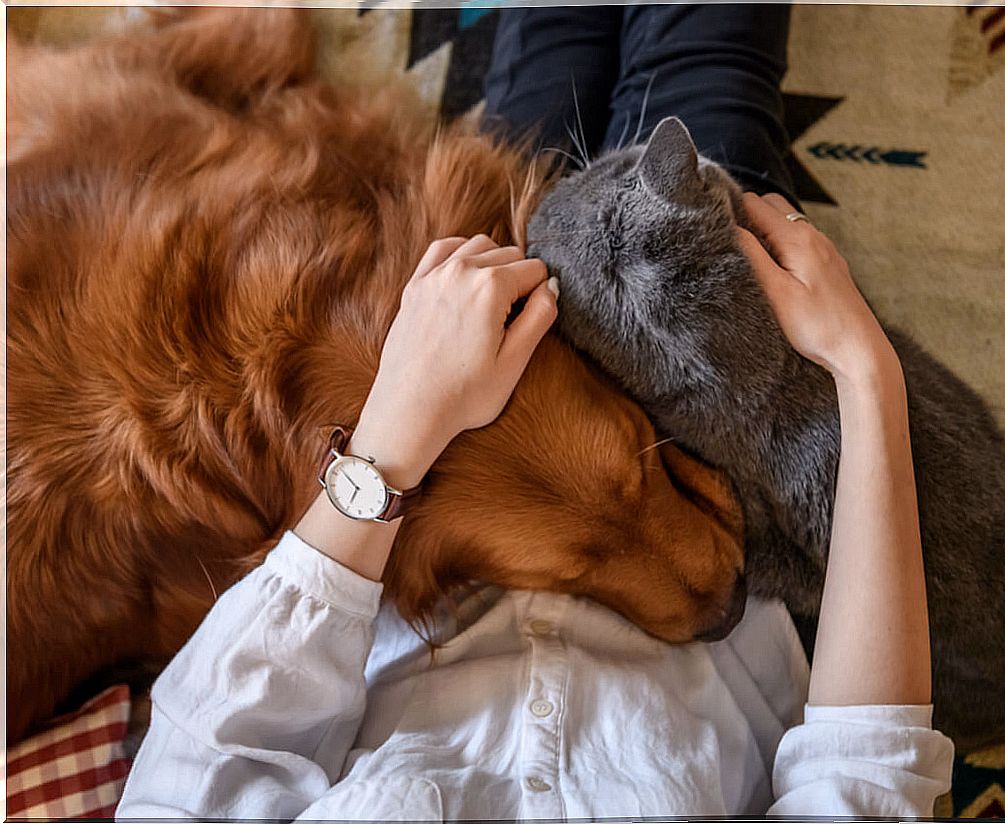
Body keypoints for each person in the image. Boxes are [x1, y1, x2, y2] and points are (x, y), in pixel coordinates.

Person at [117, 5, 954, 820]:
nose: (707, 591)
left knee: (548, 50)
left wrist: (392, 435)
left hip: (438, 439)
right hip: (711, 408)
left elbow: (206, 758)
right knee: (710, 65)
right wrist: (861, 367)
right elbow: (866, 775)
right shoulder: (704, 569)